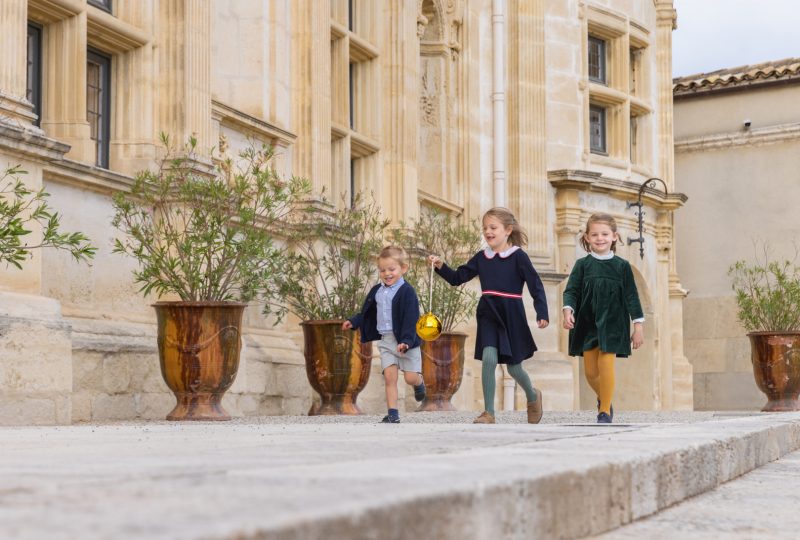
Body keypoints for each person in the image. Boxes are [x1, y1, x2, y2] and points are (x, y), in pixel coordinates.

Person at [428, 207, 549, 424]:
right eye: (485, 228)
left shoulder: (518, 257)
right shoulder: (482, 257)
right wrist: (441, 266)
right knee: (489, 359)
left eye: (493, 227)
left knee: (513, 367)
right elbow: (458, 278)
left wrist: (542, 312)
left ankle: (532, 395)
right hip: (488, 313)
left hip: (512, 314)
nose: (488, 232)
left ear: (508, 230)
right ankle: (489, 412)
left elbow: (536, 285)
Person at [562, 212, 644, 424]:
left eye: (605, 234)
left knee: (606, 363)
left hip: (614, 323)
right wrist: (568, 310)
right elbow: (571, 290)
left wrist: (638, 326)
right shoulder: (582, 265)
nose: (600, 238)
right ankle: (604, 398)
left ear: (614, 236)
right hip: (587, 322)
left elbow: (631, 296)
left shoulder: (622, 266)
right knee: (590, 371)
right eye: (595, 234)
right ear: (587, 237)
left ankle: (604, 411)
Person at [344, 245, 426, 424]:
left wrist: (406, 341)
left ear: (403, 268)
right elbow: (367, 312)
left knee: (410, 377)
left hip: (407, 341)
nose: (387, 273)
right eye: (382, 270)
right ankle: (393, 413)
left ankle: (419, 383)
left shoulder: (407, 292)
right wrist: (355, 321)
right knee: (390, 377)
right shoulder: (377, 291)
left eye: (392, 269)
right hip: (386, 341)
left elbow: (411, 319)